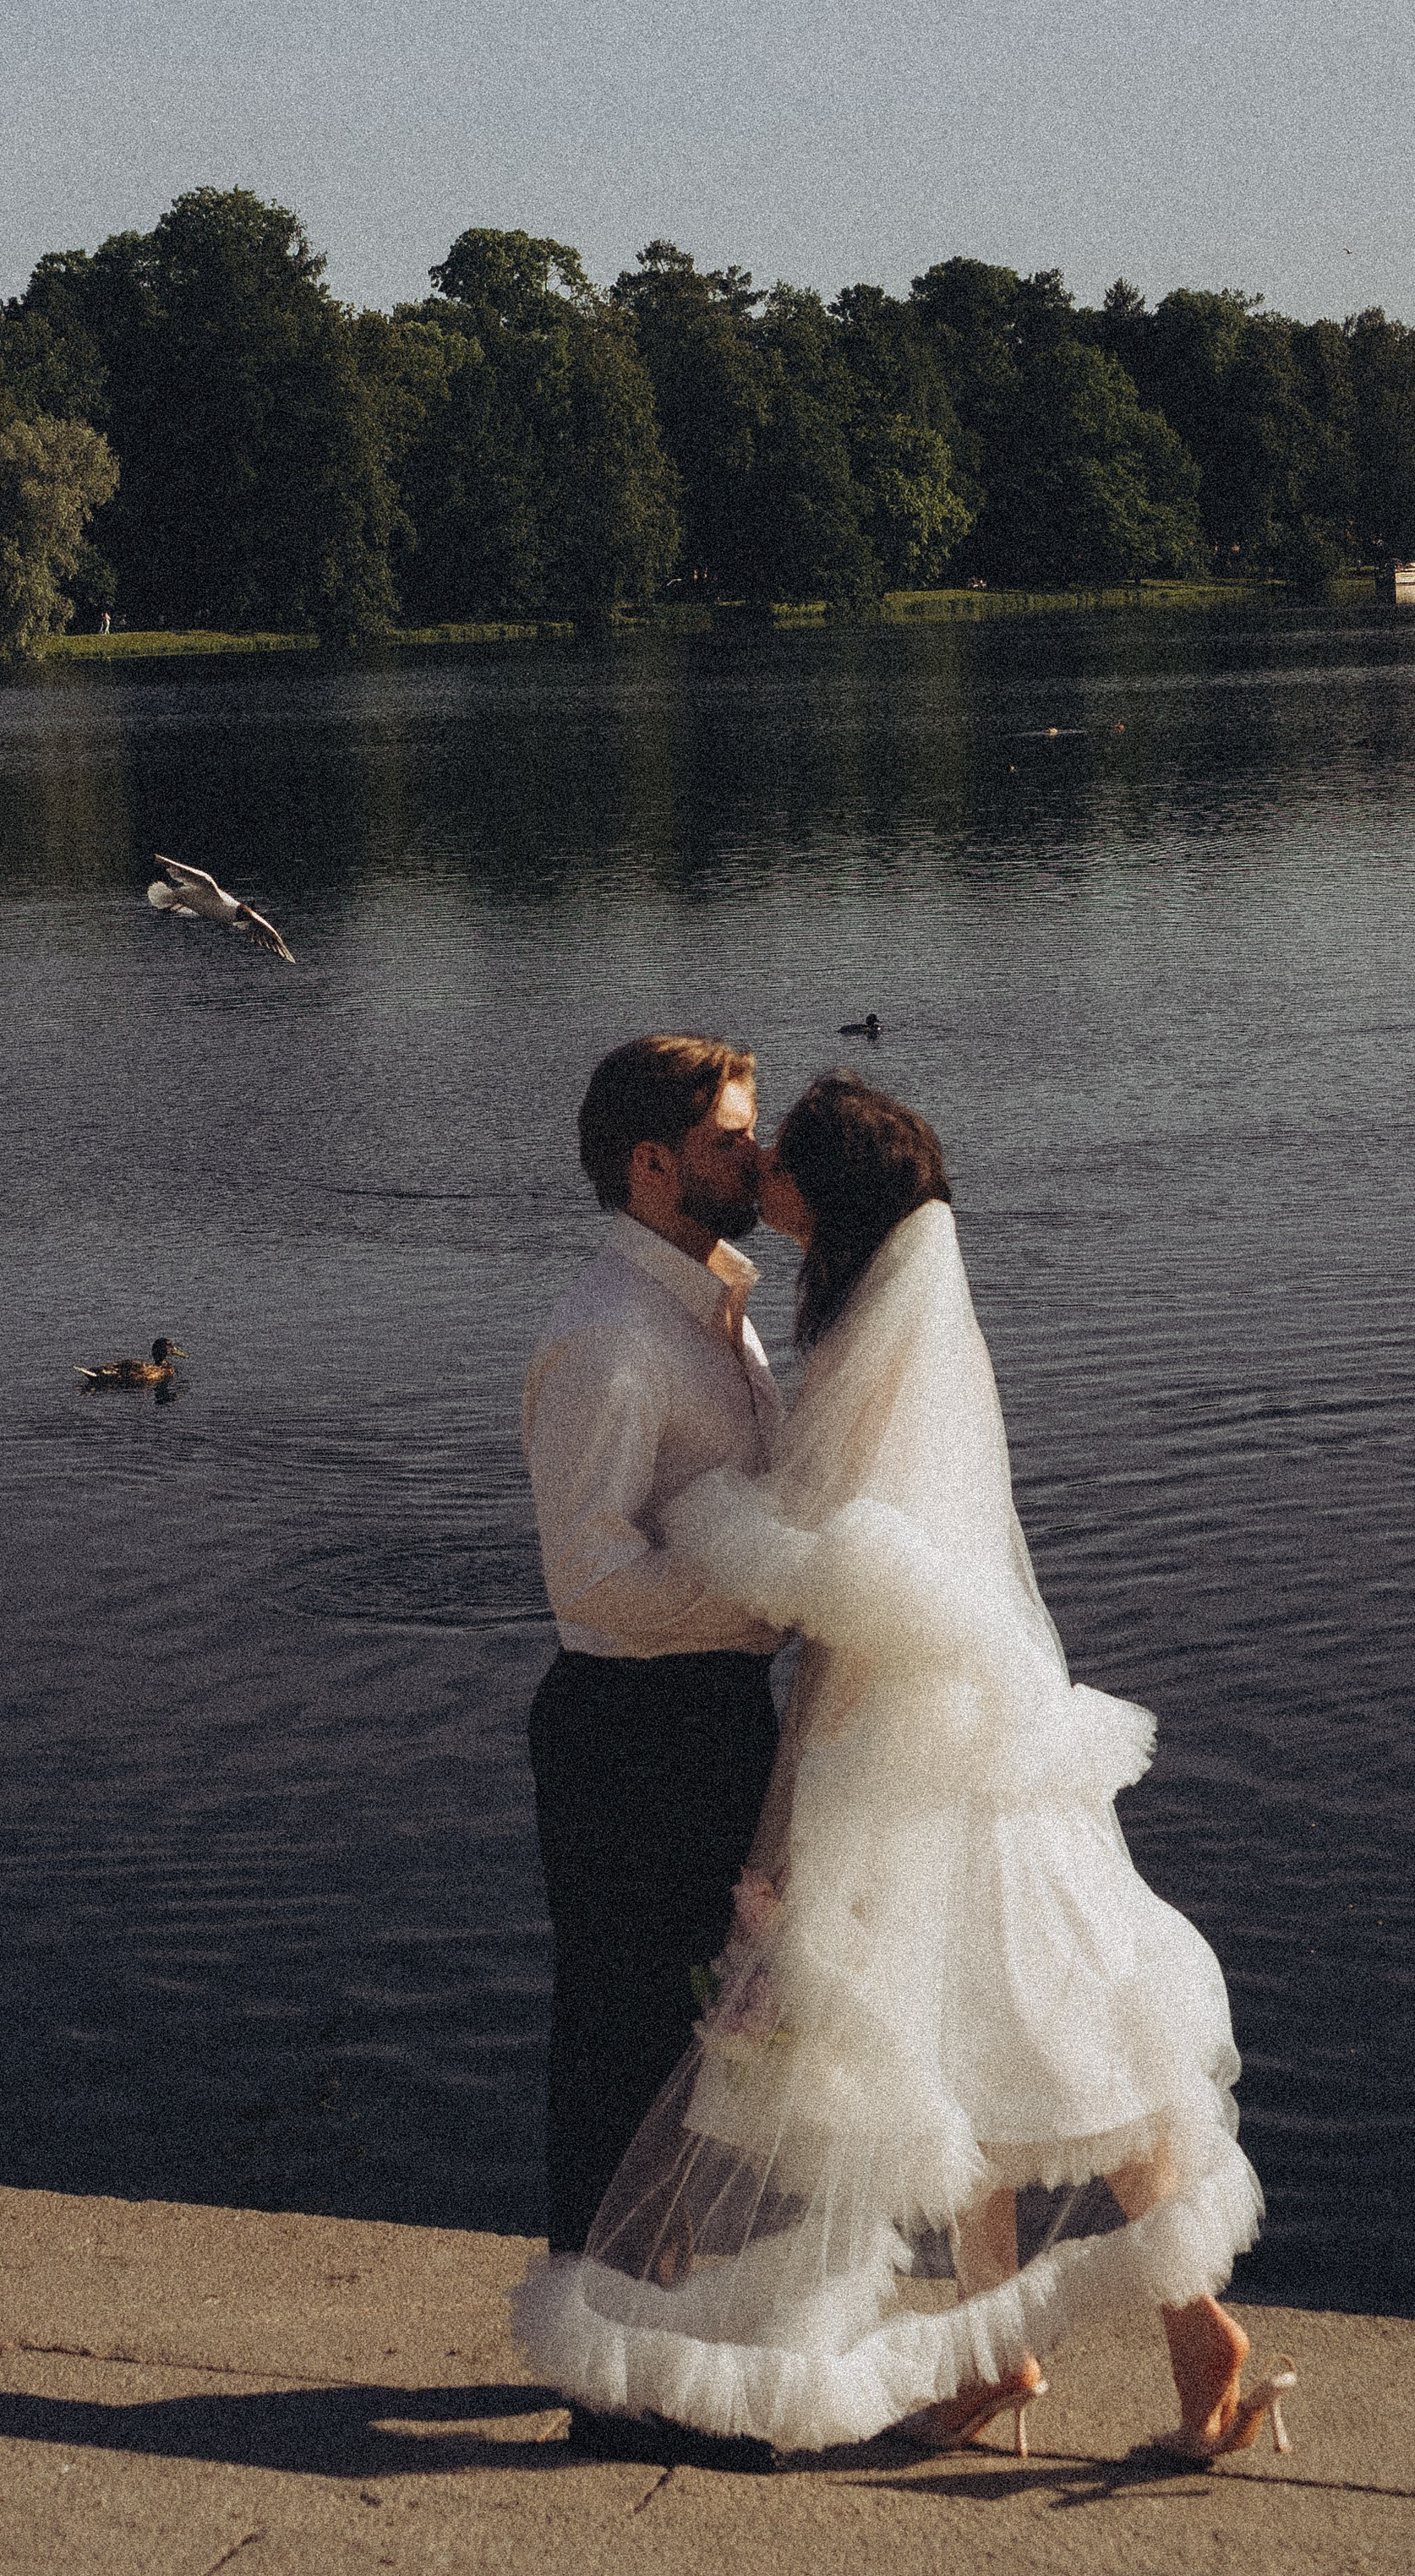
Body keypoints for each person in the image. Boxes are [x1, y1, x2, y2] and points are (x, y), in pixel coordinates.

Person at [515, 1072, 1290, 2469]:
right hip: (906, 1721)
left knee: (1040, 2030)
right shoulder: (841, 1313)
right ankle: (1005, 2352)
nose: (759, 1171)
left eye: (776, 1158)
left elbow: (852, 1554)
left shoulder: (869, 1333)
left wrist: (718, 1527)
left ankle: (1192, 2329)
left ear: (827, 1198)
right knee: (960, 2036)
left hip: (915, 1738)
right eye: (740, 1144)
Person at [522, 1036, 788, 2466]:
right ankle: (618, 2397)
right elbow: (591, 1577)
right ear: (652, 1163)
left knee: (699, 2041)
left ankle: (640, 2346)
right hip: (631, 1728)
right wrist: (772, 1585)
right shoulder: (611, 1337)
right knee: (626, 2051)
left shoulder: (714, 1307)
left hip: (709, 1715)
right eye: (732, 1139)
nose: (758, 1157)